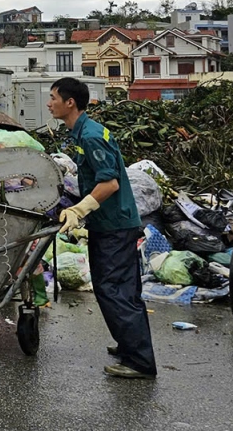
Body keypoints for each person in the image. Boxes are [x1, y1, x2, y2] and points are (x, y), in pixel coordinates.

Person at [46, 76, 157, 379]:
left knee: (114, 290)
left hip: (114, 226)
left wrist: (79, 210)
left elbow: (109, 183)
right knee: (122, 289)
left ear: (70, 103)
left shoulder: (91, 136)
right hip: (110, 223)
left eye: (54, 97)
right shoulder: (84, 132)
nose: (49, 103)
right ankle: (130, 345)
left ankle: (139, 361)